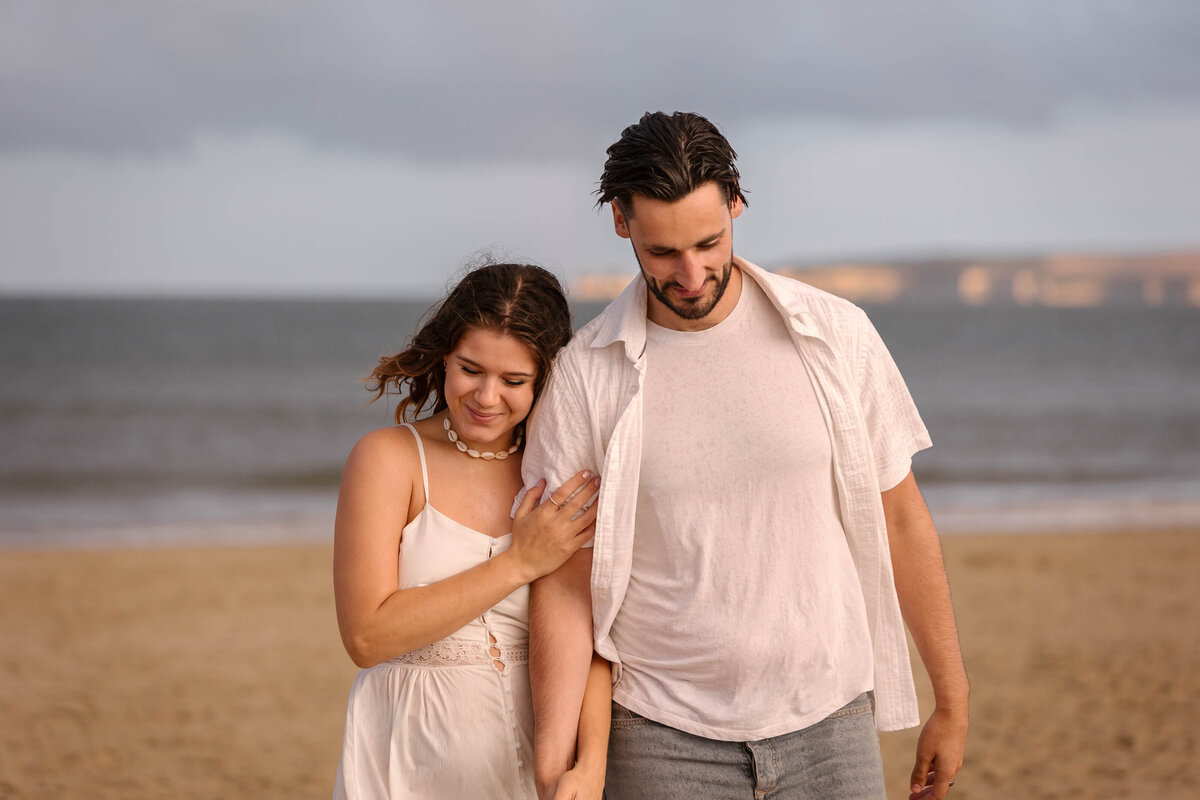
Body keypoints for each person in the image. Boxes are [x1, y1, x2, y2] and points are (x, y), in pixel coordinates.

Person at [522, 112, 969, 800]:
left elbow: (901, 517)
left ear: (736, 204)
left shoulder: (836, 335)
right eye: (663, 252)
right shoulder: (586, 375)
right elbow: (563, 581)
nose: (692, 274)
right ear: (621, 221)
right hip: (659, 735)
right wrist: (561, 765)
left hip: (832, 720)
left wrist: (952, 697)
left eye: (709, 242)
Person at [331, 262, 611, 800]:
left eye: (513, 381)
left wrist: (591, 763)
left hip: (541, 763)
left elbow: (598, 639)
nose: (486, 397)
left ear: (545, 379)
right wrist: (518, 564)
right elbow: (366, 638)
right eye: (470, 369)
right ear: (443, 357)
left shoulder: (559, 473)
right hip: (409, 756)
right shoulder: (389, 461)